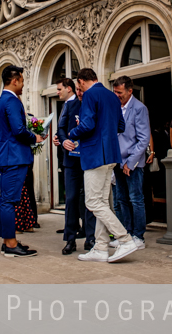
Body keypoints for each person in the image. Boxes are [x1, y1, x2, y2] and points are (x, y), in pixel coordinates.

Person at [64, 68, 137, 263]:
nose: (78, 89)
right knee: (102, 202)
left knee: (93, 202)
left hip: (95, 155)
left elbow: (87, 125)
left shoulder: (89, 95)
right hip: (111, 154)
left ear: (81, 81)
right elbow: (120, 127)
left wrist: (71, 134)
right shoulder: (112, 97)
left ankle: (125, 239)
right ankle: (101, 247)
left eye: (78, 85)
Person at [0, 65, 44, 257]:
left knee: (7, 200)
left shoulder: (2, 100)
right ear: (14, 81)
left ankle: (8, 240)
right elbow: (18, 130)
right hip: (14, 156)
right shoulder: (12, 101)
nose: (23, 85)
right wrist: (35, 138)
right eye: (22, 81)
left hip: (7, 155)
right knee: (9, 201)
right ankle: (11, 245)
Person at [55, 77, 95, 254]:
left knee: (90, 199)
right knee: (70, 199)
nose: (79, 93)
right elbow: (61, 129)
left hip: (89, 159)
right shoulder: (69, 106)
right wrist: (63, 141)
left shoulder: (92, 104)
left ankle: (91, 237)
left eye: (81, 89)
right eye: (77, 90)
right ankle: (70, 239)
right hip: (71, 161)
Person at [112, 75, 151, 249]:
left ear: (130, 91)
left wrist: (130, 162)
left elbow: (143, 140)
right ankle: (125, 235)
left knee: (136, 199)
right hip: (117, 162)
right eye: (115, 92)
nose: (117, 96)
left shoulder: (139, 108)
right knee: (121, 200)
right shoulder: (115, 107)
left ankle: (139, 236)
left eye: (119, 92)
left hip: (133, 163)